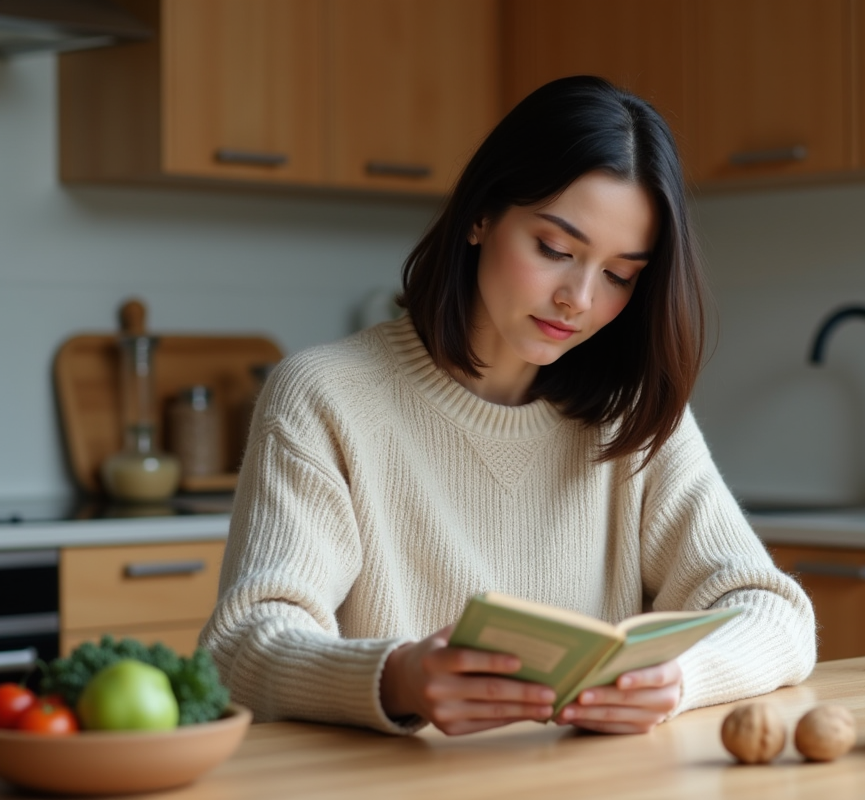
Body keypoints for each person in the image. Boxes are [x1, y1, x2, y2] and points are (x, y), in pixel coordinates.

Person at [200, 75, 816, 737]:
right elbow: (240, 647)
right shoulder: (325, 397)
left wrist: (679, 680)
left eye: (619, 274)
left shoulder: (626, 413)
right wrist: (398, 677)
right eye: (555, 250)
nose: (578, 298)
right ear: (480, 215)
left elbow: (774, 612)